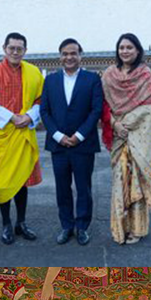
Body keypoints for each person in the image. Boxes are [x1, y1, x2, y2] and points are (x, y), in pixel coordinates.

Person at [100, 33, 151, 245]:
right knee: (119, 183)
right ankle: (120, 228)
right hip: (118, 137)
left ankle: (138, 230)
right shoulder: (109, 75)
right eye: (121, 47)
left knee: (137, 185)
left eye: (129, 47)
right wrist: (115, 124)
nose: (125, 51)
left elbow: (150, 108)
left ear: (137, 50)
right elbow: (103, 105)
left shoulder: (144, 75)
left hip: (140, 138)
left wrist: (127, 124)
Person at [0, 32, 43, 245]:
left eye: (19, 48)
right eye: (12, 48)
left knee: (22, 180)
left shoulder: (33, 73)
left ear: (25, 50)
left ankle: (21, 222)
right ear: (4, 48)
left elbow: (41, 100)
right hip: (2, 135)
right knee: (2, 181)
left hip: (23, 133)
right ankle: (6, 223)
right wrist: (12, 118)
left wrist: (28, 116)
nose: (15, 52)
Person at [40, 38, 104, 246]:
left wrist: (79, 135)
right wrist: (58, 135)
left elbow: (96, 110)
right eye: (65, 54)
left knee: (84, 187)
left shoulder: (92, 79)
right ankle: (66, 226)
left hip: (83, 144)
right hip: (58, 145)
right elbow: (44, 111)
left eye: (73, 53)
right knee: (62, 187)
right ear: (60, 56)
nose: (69, 57)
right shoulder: (50, 80)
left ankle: (82, 226)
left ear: (80, 55)